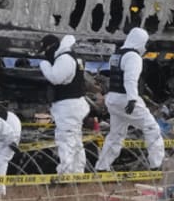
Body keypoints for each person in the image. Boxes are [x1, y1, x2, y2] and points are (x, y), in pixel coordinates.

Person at [96, 28, 164, 172]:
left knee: (116, 134)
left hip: (113, 99)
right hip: (126, 99)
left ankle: (102, 167)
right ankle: (156, 165)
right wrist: (132, 99)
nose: (144, 46)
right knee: (152, 128)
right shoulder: (133, 57)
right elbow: (130, 79)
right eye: (144, 42)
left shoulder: (116, 55)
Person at [38, 34, 89, 175]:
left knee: (65, 140)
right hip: (75, 104)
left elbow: (55, 78)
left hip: (68, 106)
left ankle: (65, 174)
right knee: (76, 140)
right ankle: (78, 172)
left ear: (51, 47)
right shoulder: (74, 57)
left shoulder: (64, 58)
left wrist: (45, 65)